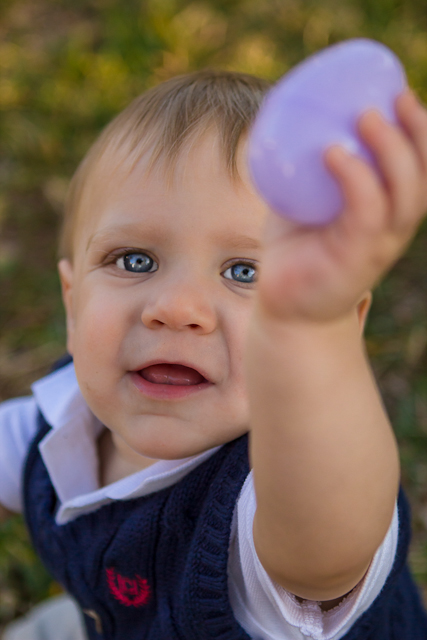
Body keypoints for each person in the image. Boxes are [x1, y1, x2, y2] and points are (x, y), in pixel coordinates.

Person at [1, 68, 427, 640]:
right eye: (135, 260)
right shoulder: (56, 416)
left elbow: (328, 544)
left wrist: (312, 337)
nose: (177, 308)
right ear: (72, 305)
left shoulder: (274, 490)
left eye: (245, 272)